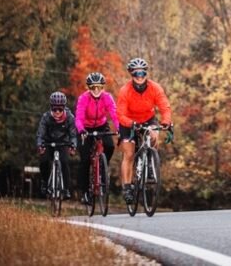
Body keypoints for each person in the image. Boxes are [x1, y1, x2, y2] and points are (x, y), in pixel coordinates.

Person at [116, 57, 172, 204]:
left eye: (142, 73)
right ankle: (127, 187)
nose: (140, 77)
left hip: (147, 118)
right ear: (131, 75)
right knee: (129, 153)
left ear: (146, 74)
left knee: (154, 134)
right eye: (136, 74)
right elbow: (120, 114)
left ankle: (151, 164)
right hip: (128, 122)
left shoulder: (155, 88)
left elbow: (164, 106)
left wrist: (166, 121)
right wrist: (131, 123)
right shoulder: (125, 91)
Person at [75, 72, 120, 205]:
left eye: (99, 87)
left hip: (101, 125)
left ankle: (102, 167)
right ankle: (84, 193)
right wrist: (81, 130)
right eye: (93, 87)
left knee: (110, 146)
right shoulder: (83, 98)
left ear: (102, 88)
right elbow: (79, 117)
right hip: (86, 128)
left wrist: (119, 128)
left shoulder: (107, 97)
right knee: (84, 160)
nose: (96, 90)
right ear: (89, 88)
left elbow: (114, 113)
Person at [36, 91, 78, 199]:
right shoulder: (46, 117)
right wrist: (40, 145)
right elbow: (40, 133)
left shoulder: (70, 117)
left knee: (64, 163)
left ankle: (66, 189)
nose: (57, 112)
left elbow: (73, 134)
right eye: (55, 109)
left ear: (64, 108)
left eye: (60, 109)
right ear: (51, 108)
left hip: (62, 143)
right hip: (49, 142)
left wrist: (73, 145)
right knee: (44, 161)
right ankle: (45, 183)